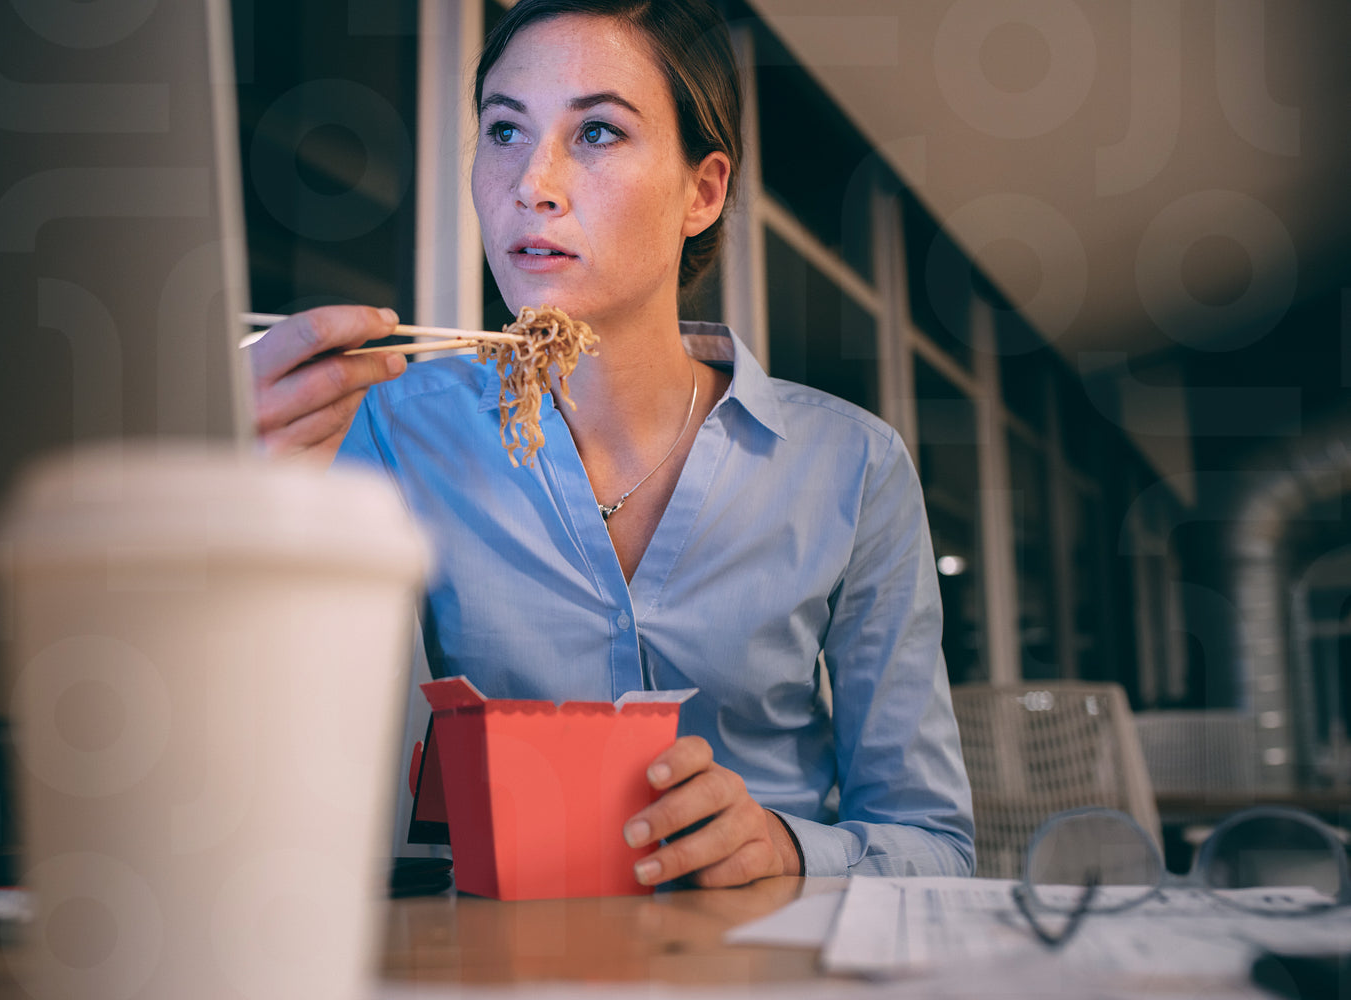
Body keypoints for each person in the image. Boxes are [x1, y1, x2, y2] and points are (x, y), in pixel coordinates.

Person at [249, 0, 974, 885]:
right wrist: (243, 506)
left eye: (596, 132)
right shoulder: (384, 425)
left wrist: (788, 848)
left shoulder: (852, 467)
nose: (533, 183)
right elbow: (272, 768)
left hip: (770, 944)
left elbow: (934, 843)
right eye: (505, 131)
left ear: (703, 193)